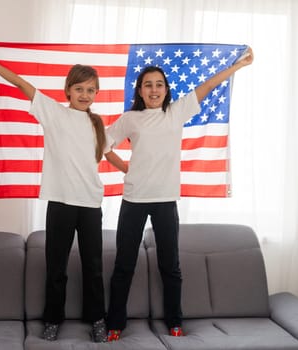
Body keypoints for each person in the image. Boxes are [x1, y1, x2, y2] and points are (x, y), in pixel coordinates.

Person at [0, 41, 127, 343]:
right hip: (60, 204)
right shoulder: (54, 113)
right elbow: (20, 83)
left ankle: (96, 318)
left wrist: (132, 172)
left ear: (96, 94)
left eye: (91, 90)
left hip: (90, 204)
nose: (85, 95)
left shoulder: (97, 124)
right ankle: (52, 319)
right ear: (68, 90)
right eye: (79, 89)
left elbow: (109, 155)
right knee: (57, 267)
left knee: (93, 267)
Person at [104, 47, 254, 341]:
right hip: (134, 200)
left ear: (166, 89)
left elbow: (208, 85)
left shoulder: (176, 112)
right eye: (148, 84)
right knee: (124, 265)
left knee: (169, 266)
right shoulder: (130, 119)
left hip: (165, 201)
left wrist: (237, 66)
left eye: (159, 84)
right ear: (140, 90)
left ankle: (175, 321)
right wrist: (126, 167)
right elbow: (104, 145)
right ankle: (115, 324)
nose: (154, 89)